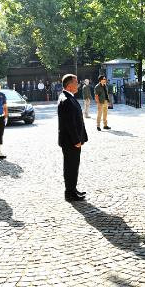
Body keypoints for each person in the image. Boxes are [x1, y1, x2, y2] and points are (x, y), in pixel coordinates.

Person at [57, 74, 88, 202]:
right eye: (76, 83)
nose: (78, 85)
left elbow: (77, 120)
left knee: (73, 166)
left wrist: (82, 137)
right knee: (70, 166)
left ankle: (72, 189)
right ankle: (69, 192)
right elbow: (70, 124)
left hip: (72, 140)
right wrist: (76, 140)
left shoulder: (69, 97)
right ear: (69, 85)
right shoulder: (66, 99)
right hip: (70, 141)